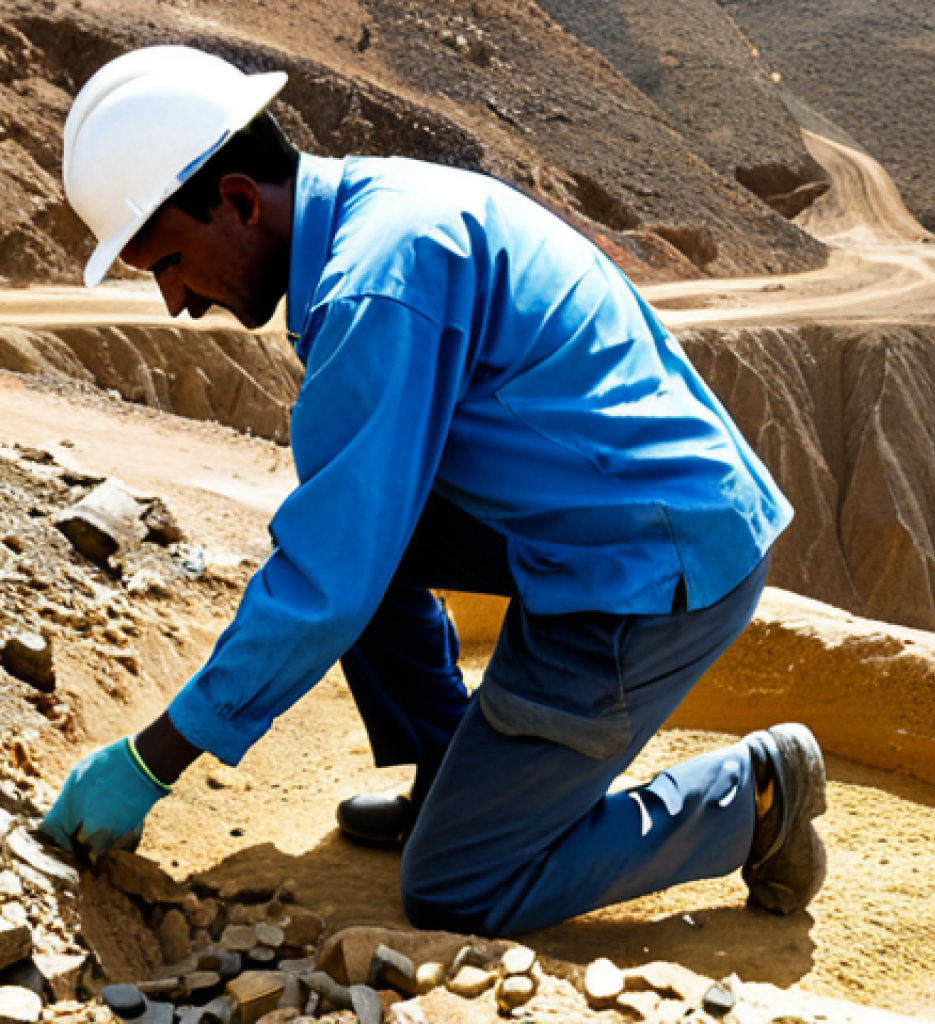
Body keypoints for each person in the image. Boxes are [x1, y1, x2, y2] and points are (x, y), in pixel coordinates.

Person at [43, 46, 827, 935]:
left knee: (458, 887)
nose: (179, 303)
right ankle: (450, 761)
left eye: (171, 263)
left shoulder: (378, 279)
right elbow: (354, 535)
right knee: (352, 521)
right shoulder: (372, 211)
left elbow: (328, 581)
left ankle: (755, 799)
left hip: (649, 570)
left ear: (237, 201)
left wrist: (149, 762)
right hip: (607, 517)